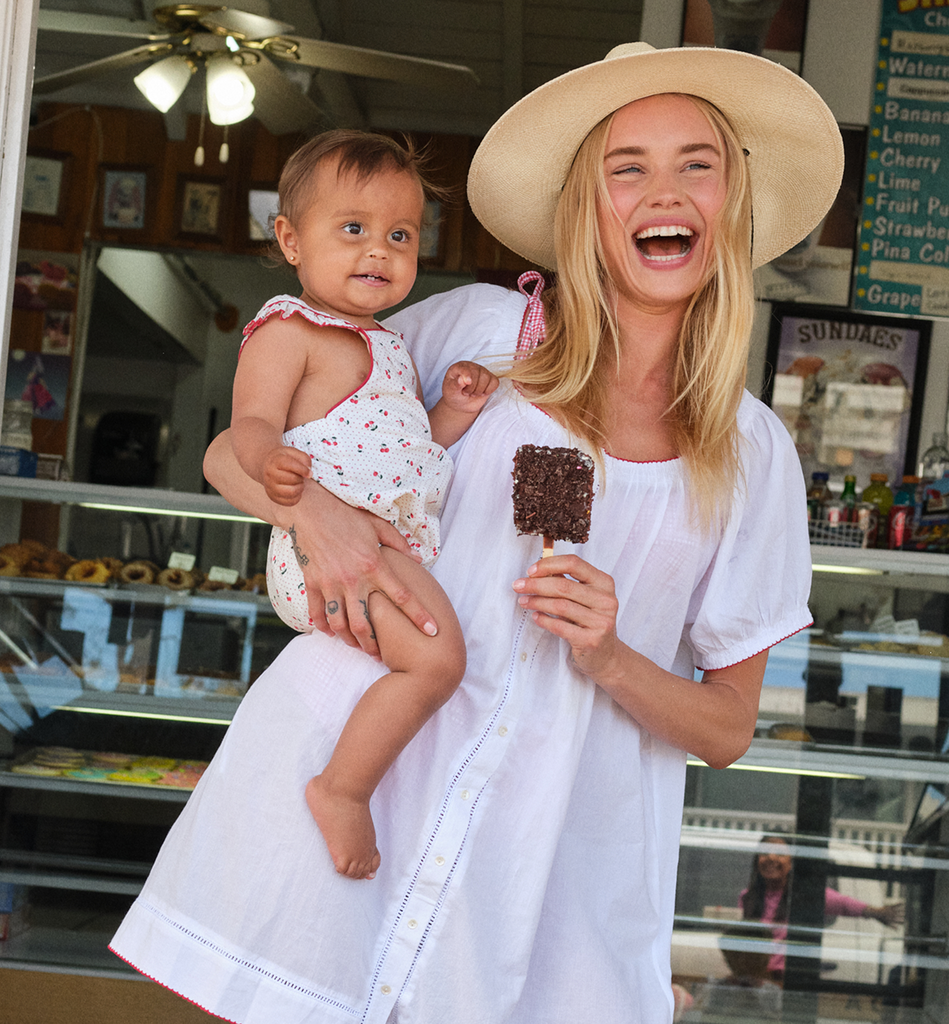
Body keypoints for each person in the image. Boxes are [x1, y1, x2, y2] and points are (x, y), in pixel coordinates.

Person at [110, 41, 844, 1023]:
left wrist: (611, 655)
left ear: (730, 202)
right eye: (626, 166)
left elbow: (727, 728)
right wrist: (319, 517)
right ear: (586, 205)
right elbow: (232, 454)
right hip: (347, 785)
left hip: (540, 878)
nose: (660, 192)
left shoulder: (752, 456)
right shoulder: (471, 332)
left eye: (694, 164)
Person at [231, 129, 497, 879]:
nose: (378, 251)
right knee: (438, 663)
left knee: (430, 662)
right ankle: (342, 790)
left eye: (399, 235)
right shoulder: (290, 329)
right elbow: (248, 423)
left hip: (378, 548)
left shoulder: (389, 345)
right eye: (353, 230)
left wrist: (456, 411)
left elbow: (410, 451)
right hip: (324, 553)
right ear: (291, 239)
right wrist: (273, 467)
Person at [736, 833, 905, 981]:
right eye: (764, 852)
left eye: (780, 853)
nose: (771, 857)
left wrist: (877, 912)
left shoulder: (804, 895)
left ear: (792, 863)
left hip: (785, 981)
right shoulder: (747, 897)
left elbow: (843, 904)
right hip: (754, 981)